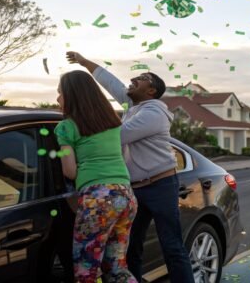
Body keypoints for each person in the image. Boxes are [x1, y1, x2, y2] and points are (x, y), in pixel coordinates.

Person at [66, 52, 194, 283]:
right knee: (130, 249)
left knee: (172, 246)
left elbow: (117, 136)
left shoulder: (154, 112)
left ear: (151, 90)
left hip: (160, 186)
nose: (134, 78)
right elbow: (110, 81)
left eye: (142, 77)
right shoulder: (132, 105)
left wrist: (73, 129)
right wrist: (84, 62)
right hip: (134, 189)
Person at [55, 70, 137, 283]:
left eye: (60, 93)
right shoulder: (114, 123)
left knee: (86, 272)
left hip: (98, 201)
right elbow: (123, 157)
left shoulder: (66, 127)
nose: (57, 99)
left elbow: (69, 171)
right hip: (126, 196)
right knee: (117, 268)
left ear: (72, 96)